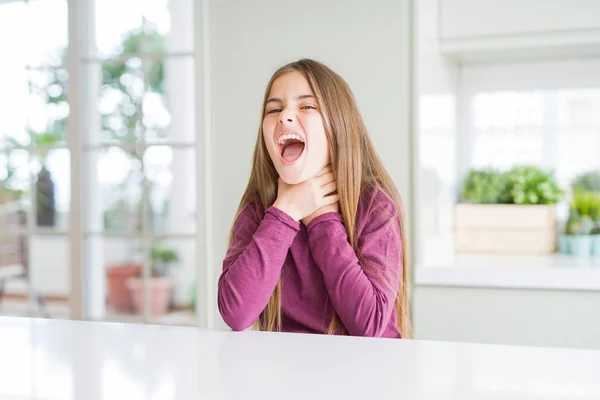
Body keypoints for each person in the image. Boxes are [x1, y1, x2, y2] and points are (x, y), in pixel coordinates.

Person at [217, 59, 411, 338]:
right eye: (274, 109)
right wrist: (284, 212)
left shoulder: (375, 206)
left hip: (368, 376)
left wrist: (322, 219)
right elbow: (235, 313)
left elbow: (369, 324)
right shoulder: (260, 211)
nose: (285, 116)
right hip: (289, 376)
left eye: (306, 106)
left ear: (339, 124)